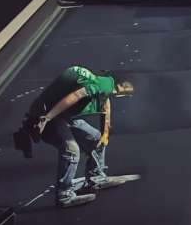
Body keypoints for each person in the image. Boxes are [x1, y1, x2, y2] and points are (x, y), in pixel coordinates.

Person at [27, 66, 137, 209]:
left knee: (95, 137)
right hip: (46, 116)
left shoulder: (104, 85)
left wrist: (105, 133)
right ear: (122, 85)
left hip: (65, 114)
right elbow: (76, 96)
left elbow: (106, 107)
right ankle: (64, 195)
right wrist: (47, 118)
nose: (122, 96)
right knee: (71, 149)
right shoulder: (103, 85)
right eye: (126, 93)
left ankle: (96, 177)